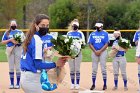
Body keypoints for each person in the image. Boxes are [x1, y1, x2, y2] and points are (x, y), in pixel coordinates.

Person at [20, 14, 67, 93]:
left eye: (47, 25)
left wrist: (42, 52)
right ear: (36, 25)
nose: (45, 27)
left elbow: (30, 56)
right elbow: (38, 65)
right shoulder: (37, 40)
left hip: (26, 77)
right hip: (32, 79)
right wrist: (55, 64)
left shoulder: (31, 36)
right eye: (42, 25)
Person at [1, 20, 23, 89]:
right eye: (12, 24)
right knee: (11, 67)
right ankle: (11, 83)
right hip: (10, 49)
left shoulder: (20, 32)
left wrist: (18, 42)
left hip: (18, 49)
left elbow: (24, 40)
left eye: (14, 24)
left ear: (16, 25)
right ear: (10, 25)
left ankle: (18, 83)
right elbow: (3, 42)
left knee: (18, 67)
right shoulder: (7, 32)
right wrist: (10, 40)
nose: (13, 25)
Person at [88, 22, 109, 90]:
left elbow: (106, 44)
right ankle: (93, 84)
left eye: (98, 26)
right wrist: (95, 51)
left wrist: (100, 51)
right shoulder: (92, 33)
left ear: (101, 27)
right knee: (94, 69)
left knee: (103, 69)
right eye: (96, 27)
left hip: (103, 51)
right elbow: (90, 44)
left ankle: (105, 84)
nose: (97, 28)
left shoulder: (105, 33)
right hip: (95, 51)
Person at [67, 19, 86, 90]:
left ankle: (77, 83)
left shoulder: (80, 33)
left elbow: (84, 43)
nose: (74, 27)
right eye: (73, 26)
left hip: (78, 53)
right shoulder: (69, 33)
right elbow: (66, 43)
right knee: (72, 69)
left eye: (75, 26)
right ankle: (72, 83)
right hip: (71, 54)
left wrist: (79, 44)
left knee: (77, 69)